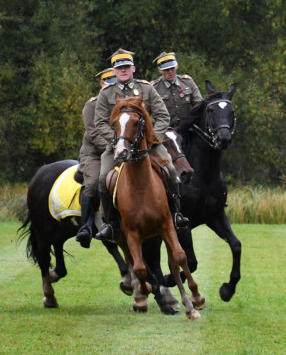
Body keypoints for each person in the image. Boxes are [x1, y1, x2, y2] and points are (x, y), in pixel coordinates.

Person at [90, 48, 187, 242]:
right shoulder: (106, 93)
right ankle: (111, 224)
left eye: (126, 67)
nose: (123, 71)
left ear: (133, 68)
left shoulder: (146, 89)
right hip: (117, 146)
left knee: (170, 169)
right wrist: (117, 141)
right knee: (102, 179)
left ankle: (176, 214)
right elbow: (99, 122)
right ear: (114, 71)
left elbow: (162, 116)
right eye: (119, 68)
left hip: (147, 144)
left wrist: (151, 137)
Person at [74, 67, 117, 247]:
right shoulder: (91, 104)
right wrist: (115, 146)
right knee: (92, 184)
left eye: (115, 83)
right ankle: (86, 227)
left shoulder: (120, 102)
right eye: (108, 82)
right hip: (94, 154)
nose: (111, 86)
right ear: (102, 84)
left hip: (118, 150)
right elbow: (93, 134)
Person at [152, 51, 203, 130]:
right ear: (160, 70)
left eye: (172, 68)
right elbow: (145, 112)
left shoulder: (187, 81)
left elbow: (199, 104)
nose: (170, 72)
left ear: (177, 66)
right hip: (165, 132)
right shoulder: (154, 87)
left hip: (187, 129)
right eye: (166, 69)